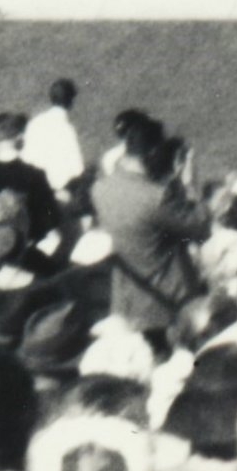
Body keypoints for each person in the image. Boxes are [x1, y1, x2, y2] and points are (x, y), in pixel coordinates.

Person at [89, 114, 207, 338]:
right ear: (153, 152)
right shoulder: (157, 197)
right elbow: (201, 228)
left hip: (127, 301)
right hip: (165, 306)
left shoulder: (99, 189)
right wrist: (190, 185)